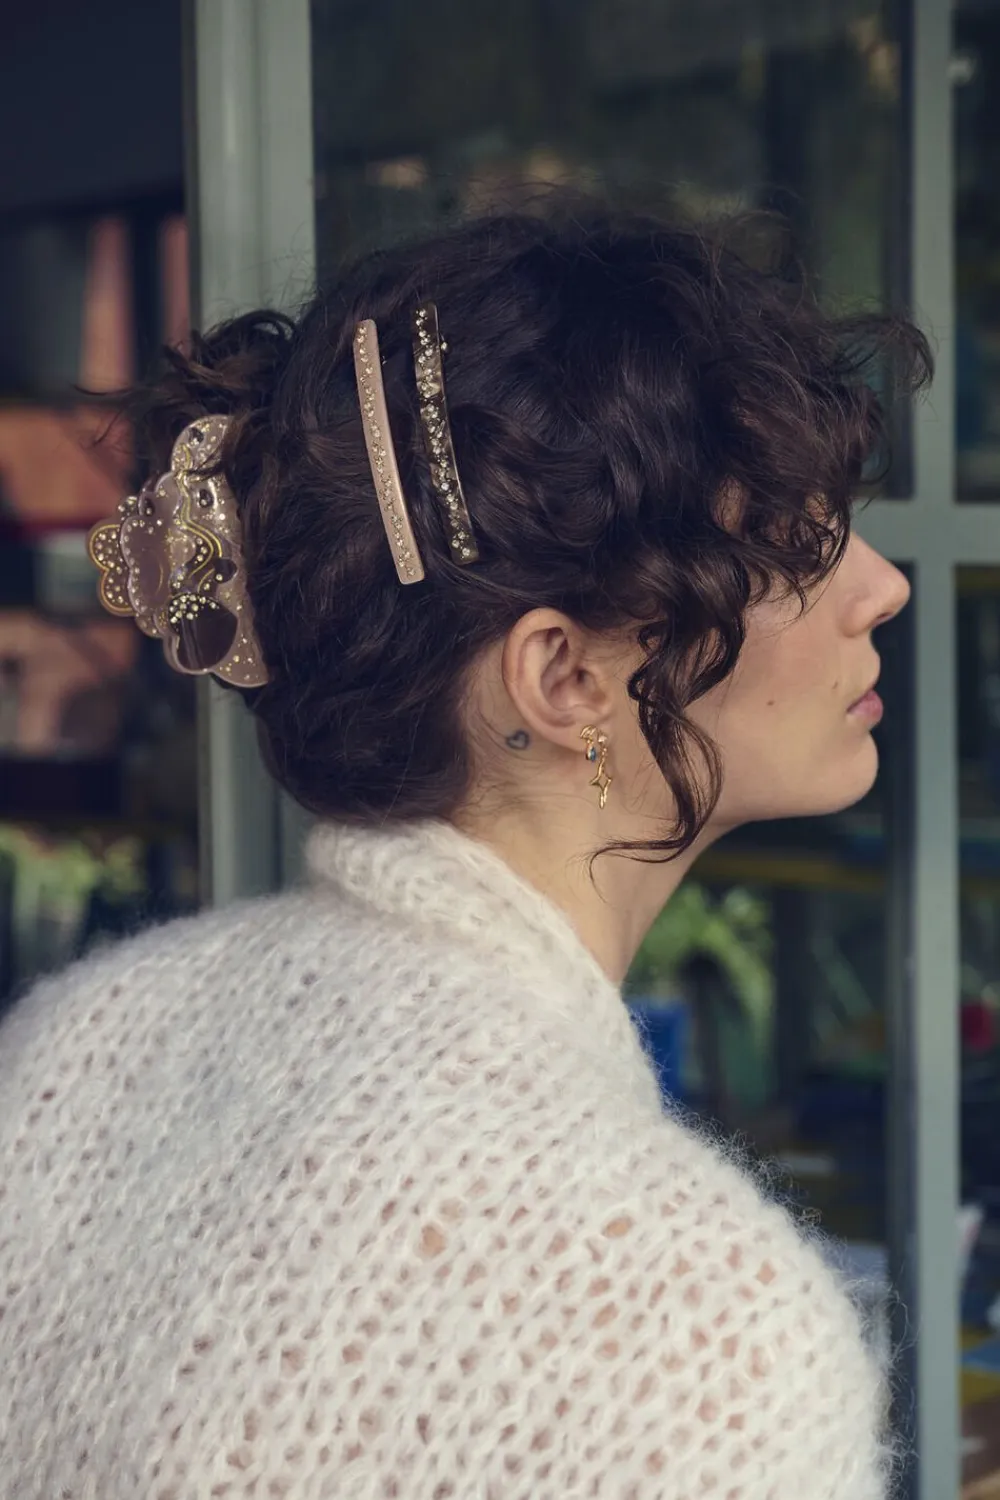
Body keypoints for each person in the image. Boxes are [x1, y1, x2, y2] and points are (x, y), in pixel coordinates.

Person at [0, 200, 927, 1500]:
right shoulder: (700, 1336)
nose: (881, 585)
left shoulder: (71, 1052)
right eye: (796, 543)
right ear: (564, 679)